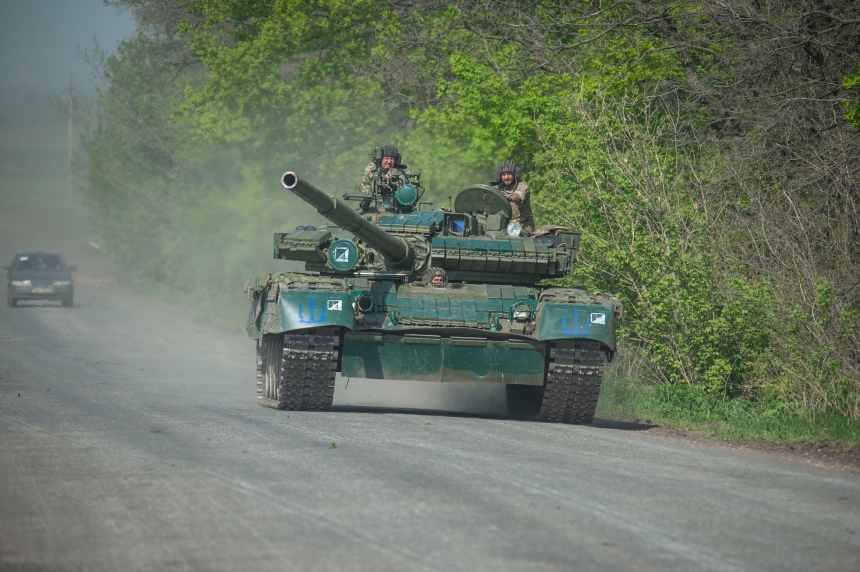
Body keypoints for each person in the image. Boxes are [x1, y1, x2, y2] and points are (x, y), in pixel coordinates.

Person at [490, 160, 534, 234]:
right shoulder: (496, 188)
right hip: (500, 224)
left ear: (515, 174)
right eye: (504, 175)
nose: (506, 177)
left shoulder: (522, 186)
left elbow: (518, 196)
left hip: (521, 225)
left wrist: (509, 198)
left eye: (509, 174)